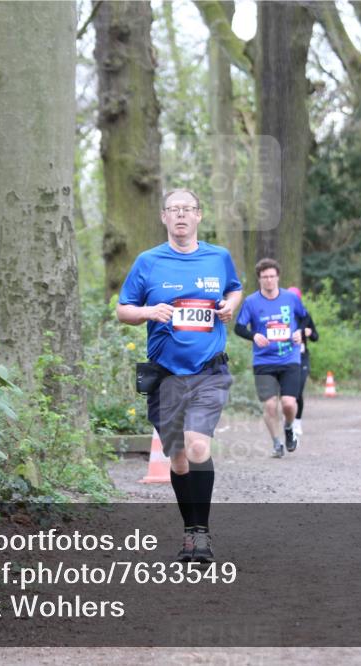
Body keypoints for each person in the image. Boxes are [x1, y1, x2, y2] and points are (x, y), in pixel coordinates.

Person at [116, 188, 242, 563]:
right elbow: (124, 310)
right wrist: (149, 312)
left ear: (199, 216)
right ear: (164, 217)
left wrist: (229, 308)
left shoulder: (218, 257)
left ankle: (200, 535)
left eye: (188, 209)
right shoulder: (148, 262)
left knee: (198, 446)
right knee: (179, 460)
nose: (182, 215)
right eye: (175, 210)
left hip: (209, 369)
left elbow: (234, 290)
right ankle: (190, 530)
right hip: (166, 374)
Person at [234, 258, 309, 458]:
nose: (269, 280)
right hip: (264, 360)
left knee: (288, 404)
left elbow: (305, 317)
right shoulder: (251, 302)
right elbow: (239, 327)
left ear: (278, 277)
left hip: (289, 357)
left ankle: (289, 427)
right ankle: (277, 443)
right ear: (259, 279)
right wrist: (254, 336)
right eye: (264, 277)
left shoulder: (290, 298)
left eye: (272, 276)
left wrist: (299, 332)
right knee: (269, 405)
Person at [286, 286, 318, 436]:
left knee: (298, 391)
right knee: (288, 394)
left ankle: (297, 422)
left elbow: (316, 337)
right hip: (285, 357)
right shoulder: (282, 315)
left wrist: (309, 333)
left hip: (302, 357)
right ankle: (289, 421)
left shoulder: (305, 315)